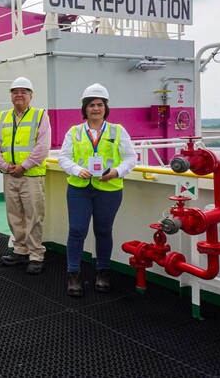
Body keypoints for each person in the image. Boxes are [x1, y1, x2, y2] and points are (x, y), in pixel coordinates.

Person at [58, 83, 137, 297]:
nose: (95, 108)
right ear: (85, 108)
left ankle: (103, 272)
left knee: (103, 231)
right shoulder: (74, 132)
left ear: (105, 108)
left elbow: (131, 158)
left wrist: (117, 171)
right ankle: (73, 274)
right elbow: (63, 158)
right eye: (91, 105)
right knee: (76, 232)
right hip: (79, 189)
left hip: (109, 189)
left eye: (100, 104)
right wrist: (76, 169)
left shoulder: (117, 131)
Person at [0, 77, 51, 274]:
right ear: (11, 95)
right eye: (15, 91)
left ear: (31, 96)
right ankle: (20, 250)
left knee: (34, 216)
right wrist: (4, 166)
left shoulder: (40, 115)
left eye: (23, 91)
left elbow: (42, 146)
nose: (19, 95)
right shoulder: (3, 116)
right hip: (9, 175)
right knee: (14, 215)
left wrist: (23, 166)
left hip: (31, 175)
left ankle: (36, 255)